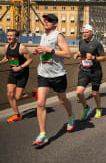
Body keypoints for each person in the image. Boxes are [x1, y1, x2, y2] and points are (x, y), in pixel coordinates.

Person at [32, 14, 74, 146]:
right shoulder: (43, 36)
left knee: (62, 100)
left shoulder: (58, 35)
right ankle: (42, 134)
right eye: (45, 20)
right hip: (43, 74)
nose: (46, 22)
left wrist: (49, 50)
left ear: (55, 24)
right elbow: (45, 51)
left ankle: (70, 116)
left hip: (58, 75)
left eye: (49, 20)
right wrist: (39, 51)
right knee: (40, 103)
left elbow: (67, 54)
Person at [0, 29, 33, 123]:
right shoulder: (6, 46)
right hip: (12, 72)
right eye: (8, 35)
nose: (9, 37)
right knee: (9, 94)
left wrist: (20, 67)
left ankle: (34, 94)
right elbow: (7, 58)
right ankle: (17, 114)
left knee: (18, 97)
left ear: (16, 37)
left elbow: (30, 60)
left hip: (22, 73)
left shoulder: (22, 48)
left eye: (11, 36)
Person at [74, 24, 105, 120]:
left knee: (95, 93)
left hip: (95, 71)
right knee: (79, 92)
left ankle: (99, 108)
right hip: (84, 70)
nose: (84, 34)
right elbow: (81, 51)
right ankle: (86, 107)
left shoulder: (97, 43)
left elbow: (103, 58)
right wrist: (77, 54)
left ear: (92, 32)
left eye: (86, 32)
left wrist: (93, 57)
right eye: (83, 32)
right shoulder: (81, 42)